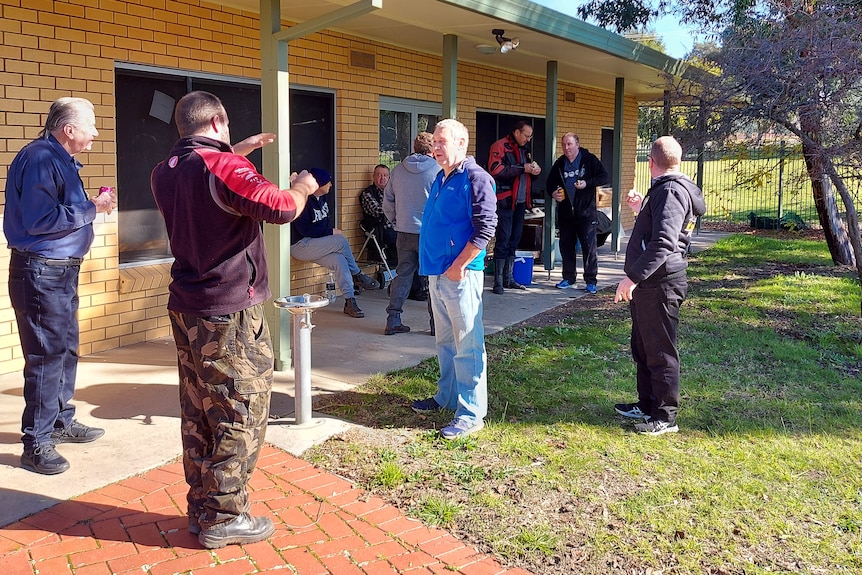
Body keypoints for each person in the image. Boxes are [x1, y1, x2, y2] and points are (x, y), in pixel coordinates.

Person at [150, 90, 319, 548]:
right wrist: (302, 185)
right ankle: (225, 516)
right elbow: (280, 207)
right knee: (240, 410)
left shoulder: (165, 172)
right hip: (229, 312)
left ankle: (201, 508)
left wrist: (234, 153)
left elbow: (206, 186)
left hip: (187, 307)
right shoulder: (224, 167)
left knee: (198, 411)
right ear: (219, 121)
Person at [4, 97, 116, 476]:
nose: (96, 133)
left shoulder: (58, 159)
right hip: (41, 272)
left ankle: (59, 421)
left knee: (65, 350)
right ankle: (35, 442)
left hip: (58, 272)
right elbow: (40, 220)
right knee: (46, 356)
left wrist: (89, 205)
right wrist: (93, 207)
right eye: (91, 126)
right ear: (69, 130)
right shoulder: (40, 158)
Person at [613, 136, 706, 435]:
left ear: (650, 162)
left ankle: (665, 417)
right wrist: (643, 208)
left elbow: (664, 242)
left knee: (661, 351)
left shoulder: (670, 191)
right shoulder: (666, 191)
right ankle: (647, 404)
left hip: (660, 284)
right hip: (650, 284)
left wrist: (632, 278)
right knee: (642, 347)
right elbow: (664, 226)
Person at [411, 119, 497, 440]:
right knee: (445, 342)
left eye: (442, 142)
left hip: (460, 275)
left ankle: (472, 412)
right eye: (434, 141)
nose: (436, 147)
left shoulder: (476, 178)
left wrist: (460, 265)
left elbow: (486, 229)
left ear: (462, 143)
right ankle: (446, 397)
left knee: (468, 345)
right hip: (438, 273)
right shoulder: (440, 177)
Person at [291, 168, 380, 318]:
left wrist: (327, 233)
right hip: (300, 245)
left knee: (339, 260)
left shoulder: (323, 199)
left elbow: (323, 224)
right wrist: (329, 232)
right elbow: (303, 229)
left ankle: (350, 301)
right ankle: (358, 274)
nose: (331, 185)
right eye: (328, 182)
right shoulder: (304, 200)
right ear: (318, 185)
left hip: (316, 244)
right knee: (340, 240)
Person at [382, 132, 439, 335]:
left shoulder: (398, 170)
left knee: (403, 275)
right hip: (430, 233)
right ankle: (436, 325)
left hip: (404, 230)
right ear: (432, 149)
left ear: (414, 147)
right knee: (434, 278)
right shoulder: (438, 171)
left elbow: (387, 201)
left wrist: (396, 220)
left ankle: (393, 319)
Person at [546, 132, 609, 294]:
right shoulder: (560, 163)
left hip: (586, 214)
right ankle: (568, 278)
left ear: (577, 145)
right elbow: (549, 184)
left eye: (570, 144)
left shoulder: (589, 160)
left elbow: (604, 177)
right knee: (566, 246)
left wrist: (587, 183)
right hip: (566, 215)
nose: (566, 148)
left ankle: (590, 281)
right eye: (564, 145)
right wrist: (553, 193)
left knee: (589, 247)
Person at [487, 120, 541, 294]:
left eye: (530, 136)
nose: (528, 139)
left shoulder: (524, 150)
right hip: (504, 201)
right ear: (517, 132)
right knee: (503, 240)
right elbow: (495, 170)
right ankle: (498, 282)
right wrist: (522, 168)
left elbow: (524, 175)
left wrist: (533, 172)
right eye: (526, 135)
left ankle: (509, 278)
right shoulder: (500, 146)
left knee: (515, 240)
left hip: (520, 202)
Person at [359, 164, 397, 264]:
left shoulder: (394, 192)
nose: (382, 178)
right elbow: (378, 211)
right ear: (374, 177)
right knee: (402, 240)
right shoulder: (368, 193)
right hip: (382, 230)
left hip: (398, 227)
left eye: (385, 175)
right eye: (379, 175)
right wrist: (398, 209)